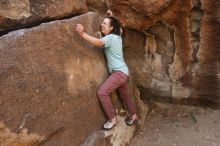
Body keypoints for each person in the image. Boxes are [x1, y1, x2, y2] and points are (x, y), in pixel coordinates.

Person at [76, 10, 137, 130]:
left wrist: (82, 34)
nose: (101, 25)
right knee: (124, 95)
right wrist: (112, 16)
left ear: (111, 28)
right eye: (102, 23)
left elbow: (99, 42)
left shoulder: (110, 38)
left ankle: (112, 119)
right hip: (123, 72)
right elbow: (118, 27)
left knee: (102, 92)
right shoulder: (118, 36)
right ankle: (134, 115)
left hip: (118, 73)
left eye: (105, 23)